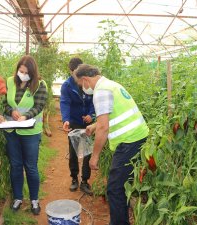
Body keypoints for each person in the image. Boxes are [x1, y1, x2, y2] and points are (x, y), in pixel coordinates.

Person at [73, 64, 149, 225]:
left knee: (115, 189)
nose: (82, 88)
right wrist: (93, 126)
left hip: (129, 142)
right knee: (121, 186)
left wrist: (94, 157)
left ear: (85, 80)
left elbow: (104, 127)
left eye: (81, 85)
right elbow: (110, 116)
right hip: (137, 138)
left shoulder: (101, 92)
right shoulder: (110, 85)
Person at [3, 55, 48, 215]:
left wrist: (26, 116)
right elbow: (5, 103)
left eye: (26, 72)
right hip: (12, 130)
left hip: (30, 131)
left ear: (32, 73)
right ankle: (18, 198)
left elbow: (39, 106)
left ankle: (34, 199)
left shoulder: (40, 85)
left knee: (30, 166)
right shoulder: (9, 81)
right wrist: (12, 111)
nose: (22, 74)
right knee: (15, 165)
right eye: (20, 71)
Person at [60, 57, 95, 195]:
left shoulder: (88, 82)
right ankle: (74, 178)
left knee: (87, 152)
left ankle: (85, 181)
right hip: (73, 121)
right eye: (76, 72)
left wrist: (91, 115)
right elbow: (65, 103)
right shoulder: (67, 86)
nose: (79, 75)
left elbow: (94, 101)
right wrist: (66, 120)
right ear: (71, 71)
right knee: (73, 150)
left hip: (88, 123)